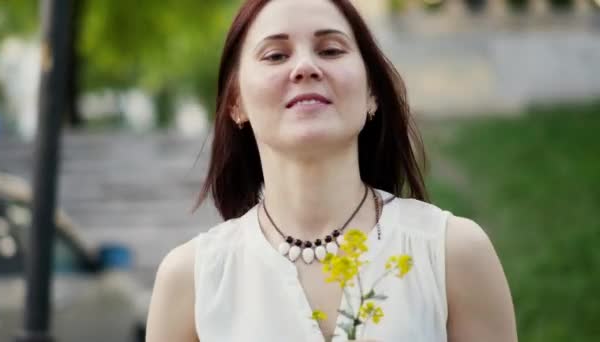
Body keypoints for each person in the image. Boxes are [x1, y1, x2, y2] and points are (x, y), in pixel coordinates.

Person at [146, 0, 518, 341]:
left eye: (331, 50)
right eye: (276, 55)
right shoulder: (191, 280)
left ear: (372, 92)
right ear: (236, 102)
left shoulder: (452, 253)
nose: (306, 67)